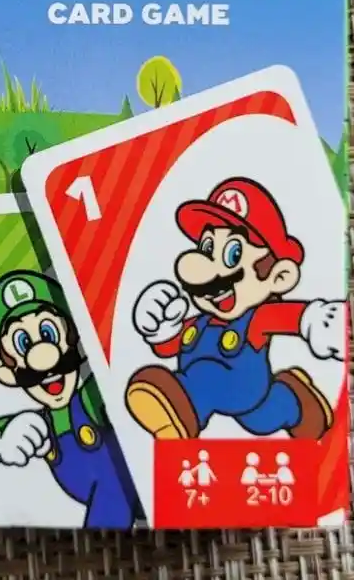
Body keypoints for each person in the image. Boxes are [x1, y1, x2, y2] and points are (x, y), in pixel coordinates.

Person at [125, 178, 343, 440]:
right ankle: (297, 399)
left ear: (278, 276)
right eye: (207, 248)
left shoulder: (256, 319)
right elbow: (171, 346)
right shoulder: (200, 322)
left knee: (212, 390)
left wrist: (318, 320)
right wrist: (161, 328)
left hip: (243, 387)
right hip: (243, 397)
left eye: (233, 254)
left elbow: (288, 317)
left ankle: (182, 407)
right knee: (262, 418)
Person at [0, 271, 142, 528]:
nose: (44, 358)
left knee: (113, 487)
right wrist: (3, 437)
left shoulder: (91, 397)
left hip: (134, 491)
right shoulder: (41, 425)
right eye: (23, 342)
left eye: (48, 332)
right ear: (6, 372)